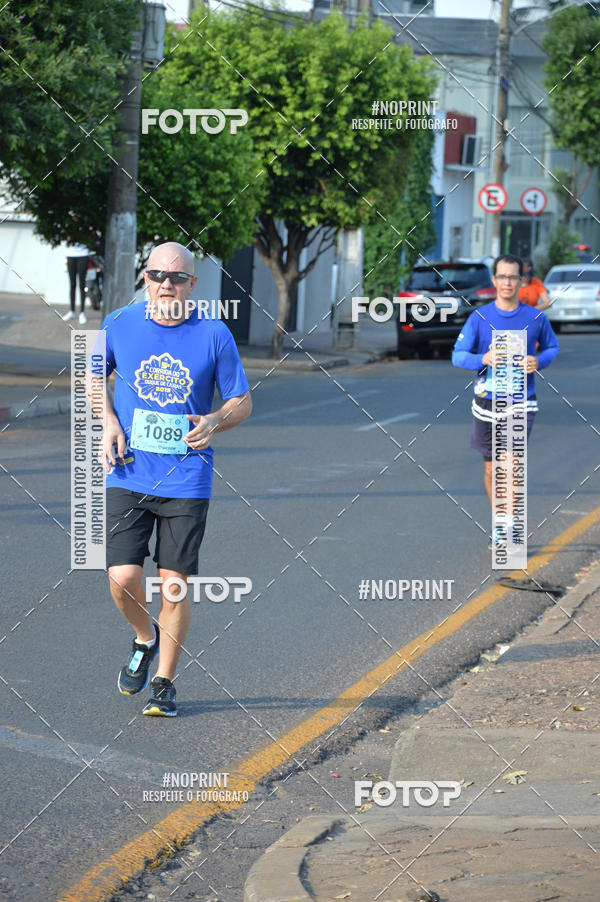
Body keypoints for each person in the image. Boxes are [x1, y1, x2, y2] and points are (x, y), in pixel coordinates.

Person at [86, 241, 252, 716]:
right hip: (129, 470)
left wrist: (216, 420)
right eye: (157, 275)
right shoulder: (119, 323)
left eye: (176, 277)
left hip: (187, 479)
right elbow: (93, 377)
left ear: (192, 284)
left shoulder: (214, 333)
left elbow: (242, 400)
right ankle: (145, 636)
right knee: (121, 579)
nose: (165, 284)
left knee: (174, 586)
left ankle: (164, 683)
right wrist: (110, 422)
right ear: (146, 278)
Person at [452, 254, 558, 545]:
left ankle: (510, 528)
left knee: (509, 464)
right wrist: (481, 358)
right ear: (494, 280)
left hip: (521, 401)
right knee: (491, 467)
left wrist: (539, 361)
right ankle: (501, 522)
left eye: (513, 277)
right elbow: (457, 356)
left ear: (521, 281)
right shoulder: (479, 318)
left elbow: (552, 348)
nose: (507, 282)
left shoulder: (535, 317)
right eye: (502, 276)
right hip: (485, 401)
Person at [63, 243, 90, 324]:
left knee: (82, 285)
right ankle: (72, 311)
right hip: (70, 255)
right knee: (72, 284)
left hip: (83, 254)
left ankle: (82, 313)